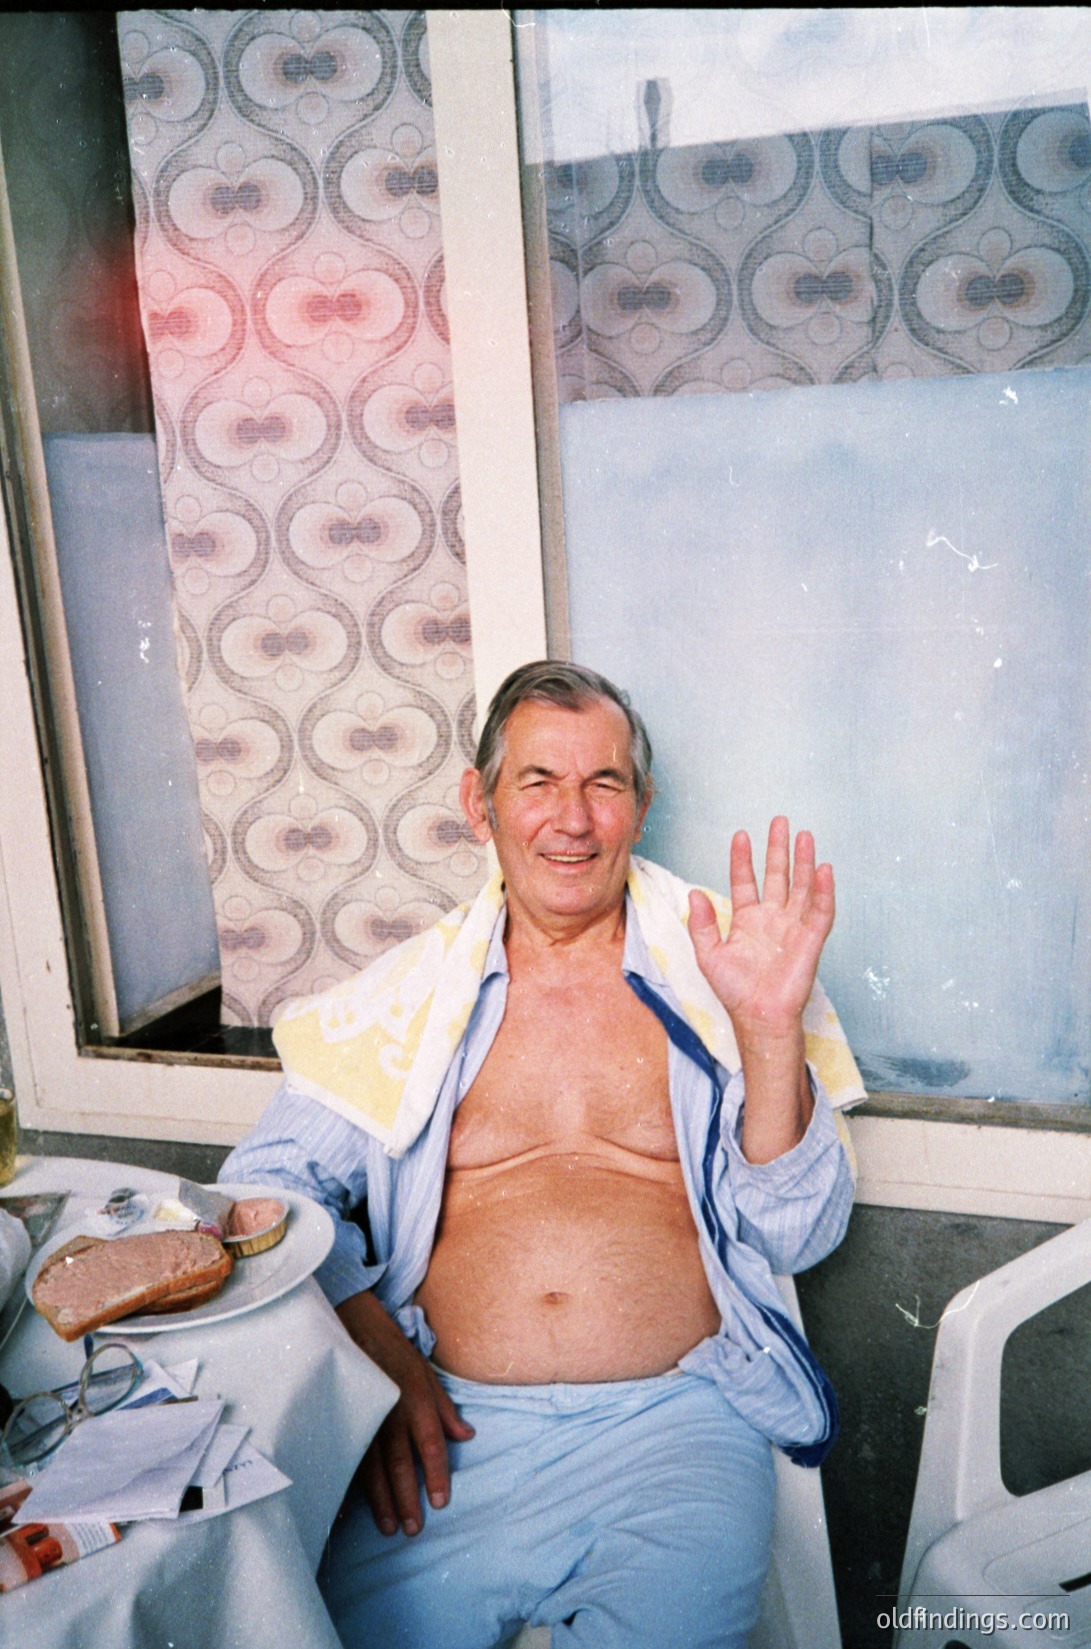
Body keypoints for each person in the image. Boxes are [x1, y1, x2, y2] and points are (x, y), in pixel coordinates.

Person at [220, 661, 861, 1649]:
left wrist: (770, 1030)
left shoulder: (721, 968)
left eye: (603, 782)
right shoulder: (406, 997)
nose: (573, 817)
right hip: (442, 1435)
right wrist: (375, 1348)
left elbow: (797, 1232)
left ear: (639, 807)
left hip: (673, 1434)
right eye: (537, 781)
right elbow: (262, 1187)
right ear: (479, 803)